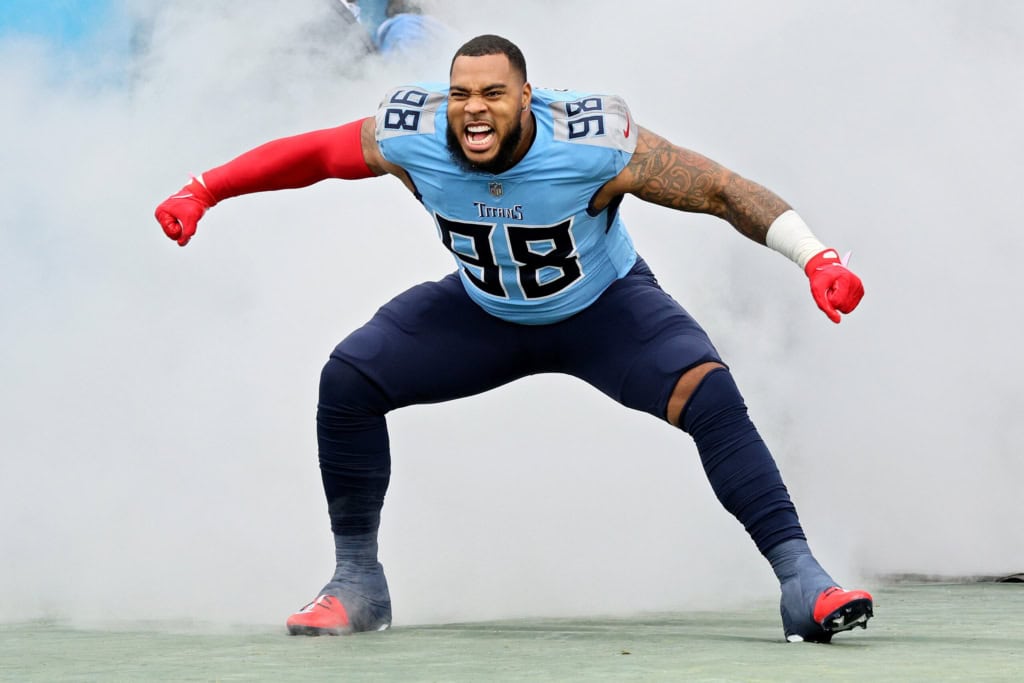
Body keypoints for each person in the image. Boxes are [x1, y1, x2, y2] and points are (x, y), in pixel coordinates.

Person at [154, 34, 871, 643]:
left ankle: (800, 579)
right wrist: (204, 189)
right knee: (349, 379)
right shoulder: (415, 134)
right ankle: (357, 581)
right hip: (484, 312)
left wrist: (816, 256)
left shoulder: (593, 143)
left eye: (493, 93)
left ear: (526, 98)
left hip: (602, 309)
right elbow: (314, 155)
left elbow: (718, 189)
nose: (474, 109)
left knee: (706, 390)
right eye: (462, 93)